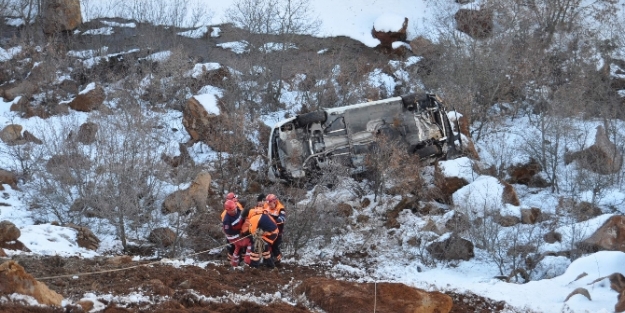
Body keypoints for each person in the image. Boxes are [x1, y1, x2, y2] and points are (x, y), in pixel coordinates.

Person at [241, 199, 279, 269]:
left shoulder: (254, 219)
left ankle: (253, 267)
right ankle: (271, 266)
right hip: (273, 231)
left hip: (270, 234)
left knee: (255, 247)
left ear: (247, 216)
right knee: (264, 248)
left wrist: (245, 234)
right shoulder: (257, 211)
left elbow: (252, 233)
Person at [222, 199, 251, 267]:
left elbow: (242, 217)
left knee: (238, 247)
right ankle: (247, 261)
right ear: (228, 210)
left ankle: (234, 263)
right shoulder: (227, 220)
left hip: (239, 231)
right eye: (232, 210)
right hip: (232, 236)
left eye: (234, 209)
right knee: (250, 241)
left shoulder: (238, 210)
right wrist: (239, 232)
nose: (234, 211)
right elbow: (228, 231)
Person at [263, 193, 286, 265]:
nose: (269, 206)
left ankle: (278, 260)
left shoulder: (281, 208)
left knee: (275, 246)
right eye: (268, 204)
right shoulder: (266, 205)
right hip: (267, 230)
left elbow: (282, 219)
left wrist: (272, 220)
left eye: (271, 204)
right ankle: (268, 259)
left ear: (275, 202)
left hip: (278, 231)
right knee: (266, 245)